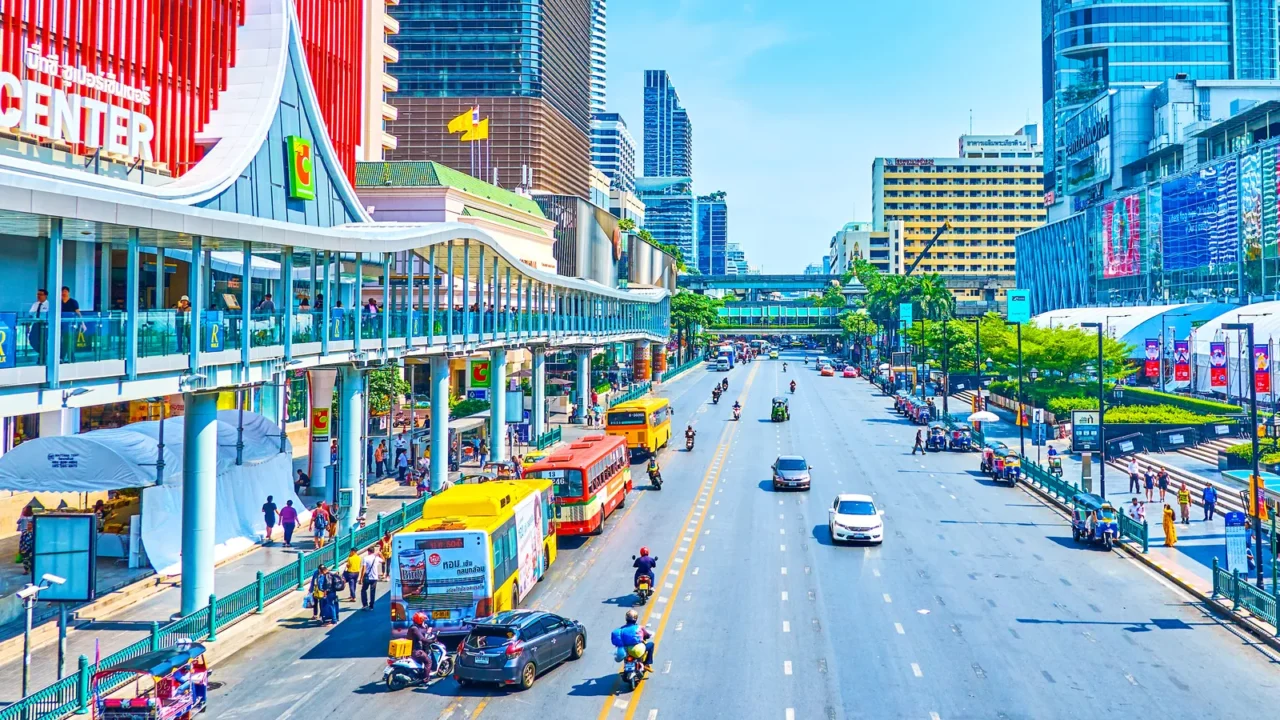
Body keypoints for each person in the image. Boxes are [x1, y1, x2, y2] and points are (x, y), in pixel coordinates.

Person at [16, 506, 34, 573]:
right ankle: (29, 569)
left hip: (24, 532)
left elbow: (17, 522)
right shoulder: (32, 517)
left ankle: (27, 569)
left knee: (27, 558)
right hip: (28, 544)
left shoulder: (22, 517)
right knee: (29, 557)